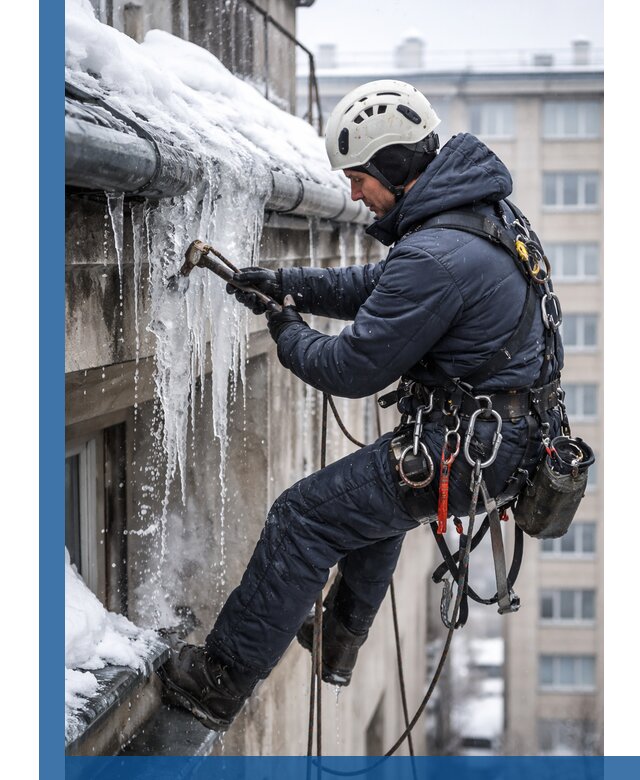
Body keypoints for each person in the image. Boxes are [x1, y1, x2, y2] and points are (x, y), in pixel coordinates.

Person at [158, 80, 564, 731]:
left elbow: (350, 368)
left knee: (303, 519)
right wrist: (288, 284)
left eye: (359, 177)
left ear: (397, 169)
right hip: (500, 440)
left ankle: (216, 682)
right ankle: (338, 645)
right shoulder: (478, 219)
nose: (352, 194)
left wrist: (284, 329)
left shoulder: (438, 252)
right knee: (365, 510)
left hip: (470, 448)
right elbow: (380, 287)